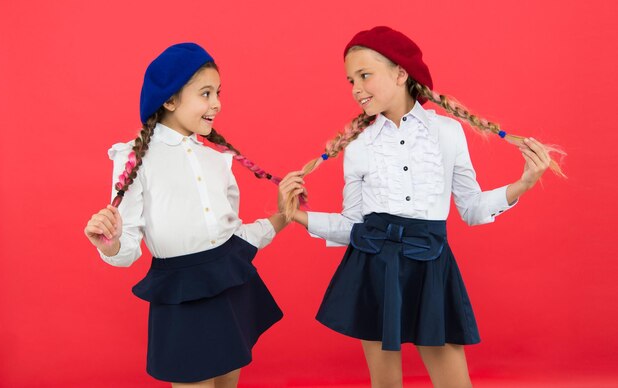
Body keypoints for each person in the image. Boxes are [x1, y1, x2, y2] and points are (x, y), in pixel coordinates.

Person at [279, 26, 563, 387]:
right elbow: (353, 224)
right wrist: (299, 218)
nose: (356, 89)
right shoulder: (358, 146)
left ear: (400, 73)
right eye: (351, 80)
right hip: (373, 266)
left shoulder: (447, 133)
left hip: (431, 265)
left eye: (365, 75)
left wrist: (523, 183)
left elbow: (473, 209)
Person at [84, 42, 290, 387]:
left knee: (229, 382)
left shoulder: (217, 160)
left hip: (230, 286)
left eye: (218, 93)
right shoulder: (136, 159)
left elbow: (231, 238)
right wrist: (112, 243)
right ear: (170, 100)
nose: (217, 103)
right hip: (180, 295)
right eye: (205, 93)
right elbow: (129, 245)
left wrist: (283, 216)